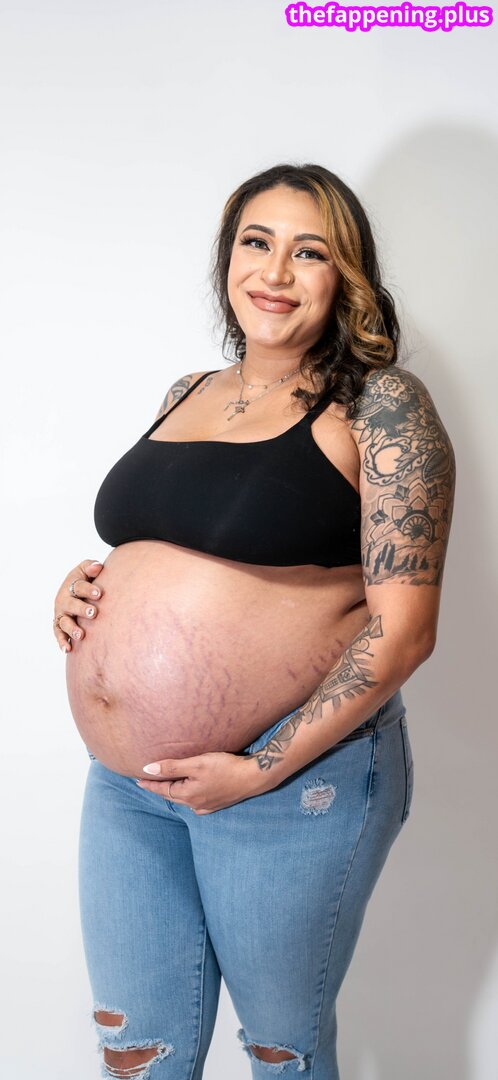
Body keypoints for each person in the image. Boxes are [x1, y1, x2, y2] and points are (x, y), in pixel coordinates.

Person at [52, 162, 456, 1079]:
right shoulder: (185, 391)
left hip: (289, 780)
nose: (275, 272)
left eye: (309, 252)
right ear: (226, 258)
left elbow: (404, 631)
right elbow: (163, 544)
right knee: (137, 1052)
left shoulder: (381, 407)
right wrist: (80, 590)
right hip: (127, 787)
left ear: (346, 275)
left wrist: (258, 768)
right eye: (256, 242)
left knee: (282, 1055)